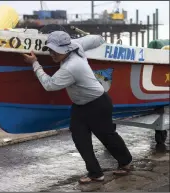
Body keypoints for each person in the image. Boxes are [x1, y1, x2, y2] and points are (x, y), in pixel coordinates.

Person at [23, 31, 132, 184]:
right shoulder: (76, 45)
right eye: (50, 49)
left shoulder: (71, 67)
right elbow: (96, 38)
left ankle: (125, 162)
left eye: (55, 51)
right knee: (80, 139)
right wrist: (101, 39)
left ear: (66, 49)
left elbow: (49, 85)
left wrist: (35, 63)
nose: (52, 54)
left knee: (107, 135)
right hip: (80, 105)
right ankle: (95, 173)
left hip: (98, 103)